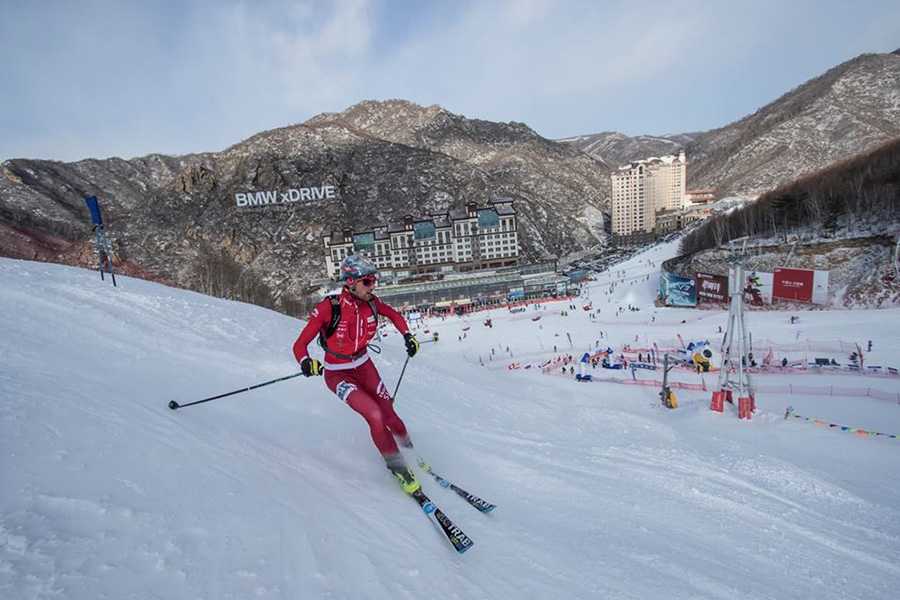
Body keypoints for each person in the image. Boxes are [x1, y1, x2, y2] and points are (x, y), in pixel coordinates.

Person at [292, 255, 422, 494]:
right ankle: (398, 467)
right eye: (368, 281)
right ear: (350, 282)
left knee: (389, 415)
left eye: (374, 281)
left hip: (364, 366)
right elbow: (299, 345)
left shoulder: (372, 302)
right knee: (374, 415)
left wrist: (407, 335)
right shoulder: (328, 309)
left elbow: (393, 314)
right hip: (337, 375)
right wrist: (306, 363)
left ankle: (413, 454)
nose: (373, 286)